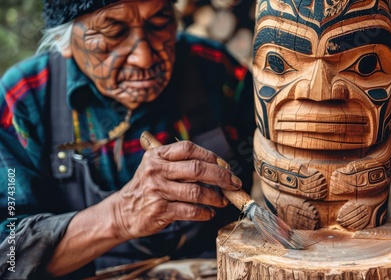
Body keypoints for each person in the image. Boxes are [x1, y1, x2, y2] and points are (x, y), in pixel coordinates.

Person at [0, 0, 255, 278]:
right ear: (65, 41)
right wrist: (121, 216)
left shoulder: (214, 68)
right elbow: (8, 256)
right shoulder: (23, 99)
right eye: (112, 31)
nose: (144, 57)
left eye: (159, 24)